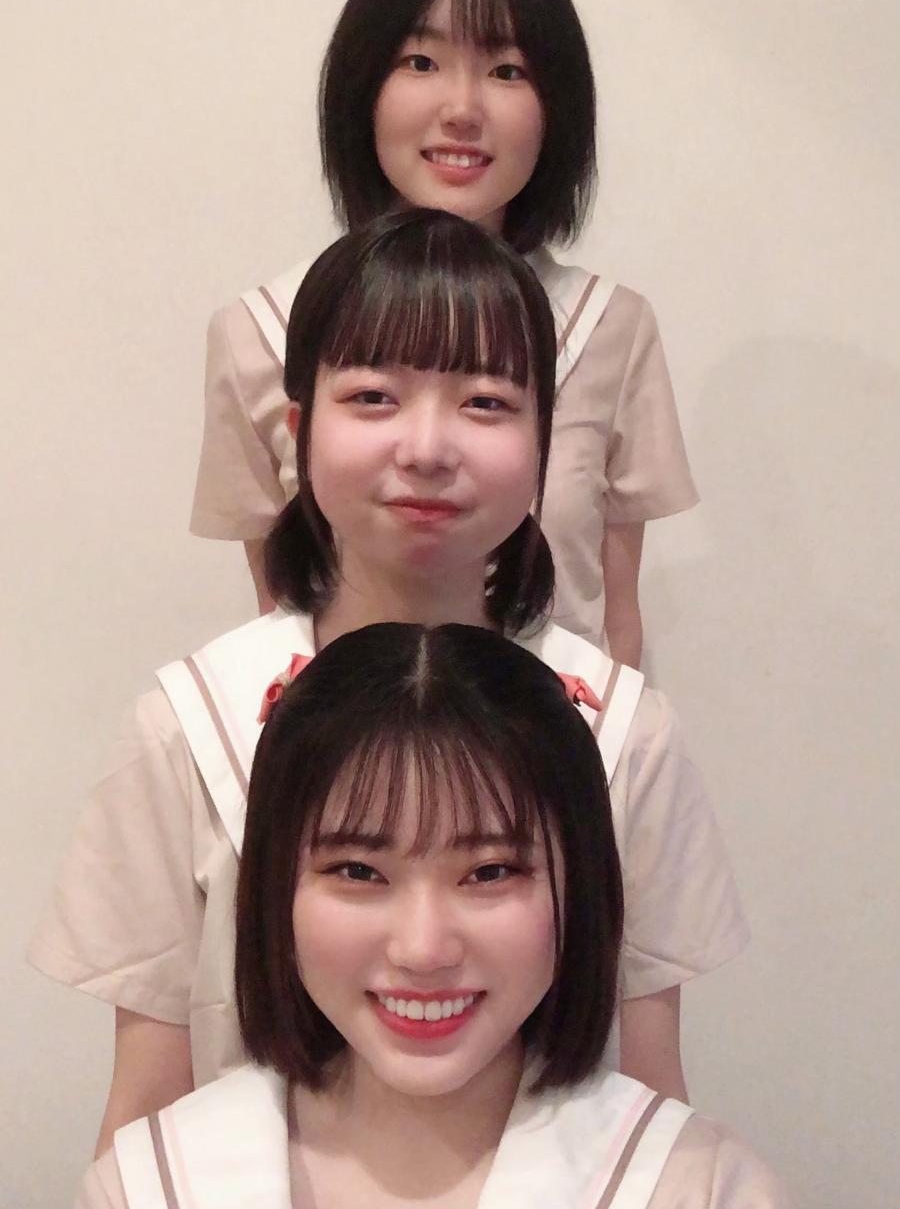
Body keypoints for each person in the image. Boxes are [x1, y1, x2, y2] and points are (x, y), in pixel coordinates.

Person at [30, 211, 745, 1152]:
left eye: (485, 401)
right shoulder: (189, 727)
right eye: (373, 397)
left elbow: (650, 1087)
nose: (427, 448)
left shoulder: (623, 731)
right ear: (298, 431)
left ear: (544, 442)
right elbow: (144, 1107)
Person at [75, 624, 786, 1208]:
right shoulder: (147, 1187)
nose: (422, 948)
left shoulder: (701, 1189)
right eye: (358, 872)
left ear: (582, 885)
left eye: (490, 872)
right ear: (273, 889)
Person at [190, 0, 698, 666]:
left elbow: (615, 619)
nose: (462, 109)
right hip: (349, 735)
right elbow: (280, 627)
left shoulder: (609, 328)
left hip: (553, 733)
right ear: (363, 88)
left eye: (507, 70)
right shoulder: (262, 332)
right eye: (421, 61)